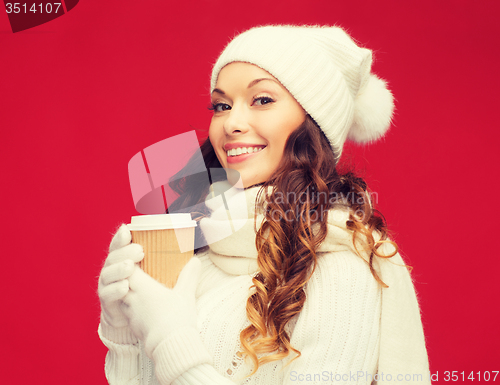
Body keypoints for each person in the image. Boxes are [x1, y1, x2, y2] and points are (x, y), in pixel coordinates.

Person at [97, 25, 431, 385]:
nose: (232, 123)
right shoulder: (201, 248)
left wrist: (170, 340)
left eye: (262, 100)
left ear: (312, 123)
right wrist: (122, 330)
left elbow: (173, 353)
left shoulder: (341, 269)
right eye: (222, 106)